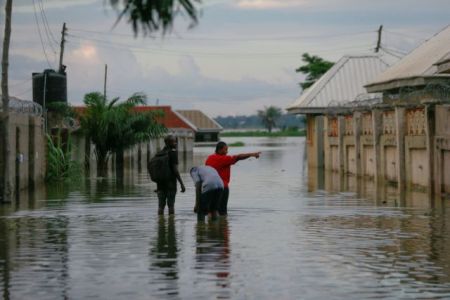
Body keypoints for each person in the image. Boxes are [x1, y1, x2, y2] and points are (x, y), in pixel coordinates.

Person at [205, 141, 261, 216]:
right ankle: (223, 226)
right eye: (225, 150)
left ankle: (211, 226)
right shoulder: (224, 159)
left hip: (209, 188)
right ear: (219, 150)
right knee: (222, 212)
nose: (227, 152)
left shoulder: (209, 158)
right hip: (222, 187)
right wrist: (251, 154)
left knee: (211, 211)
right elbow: (238, 157)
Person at [157, 135, 186, 215]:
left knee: (160, 206)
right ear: (168, 143)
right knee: (171, 206)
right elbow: (175, 170)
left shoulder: (160, 153)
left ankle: (161, 225)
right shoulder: (173, 153)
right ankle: (171, 225)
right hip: (171, 184)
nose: (176, 143)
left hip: (160, 185)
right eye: (173, 141)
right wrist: (182, 184)